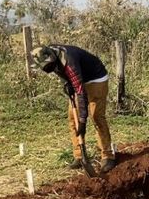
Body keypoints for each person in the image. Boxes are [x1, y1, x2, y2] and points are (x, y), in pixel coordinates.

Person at [30, 45, 116, 173]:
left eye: (49, 66)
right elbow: (62, 73)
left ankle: (107, 156)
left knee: (96, 115)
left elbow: (80, 92)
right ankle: (80, 156)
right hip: (78, 80)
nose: (48, 69)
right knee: (72, 116)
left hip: (96, 78)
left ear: (52, 58)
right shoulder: (50, 55)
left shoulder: (70, 62)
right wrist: (66, 83)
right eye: (45, 68)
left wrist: (82, 120)